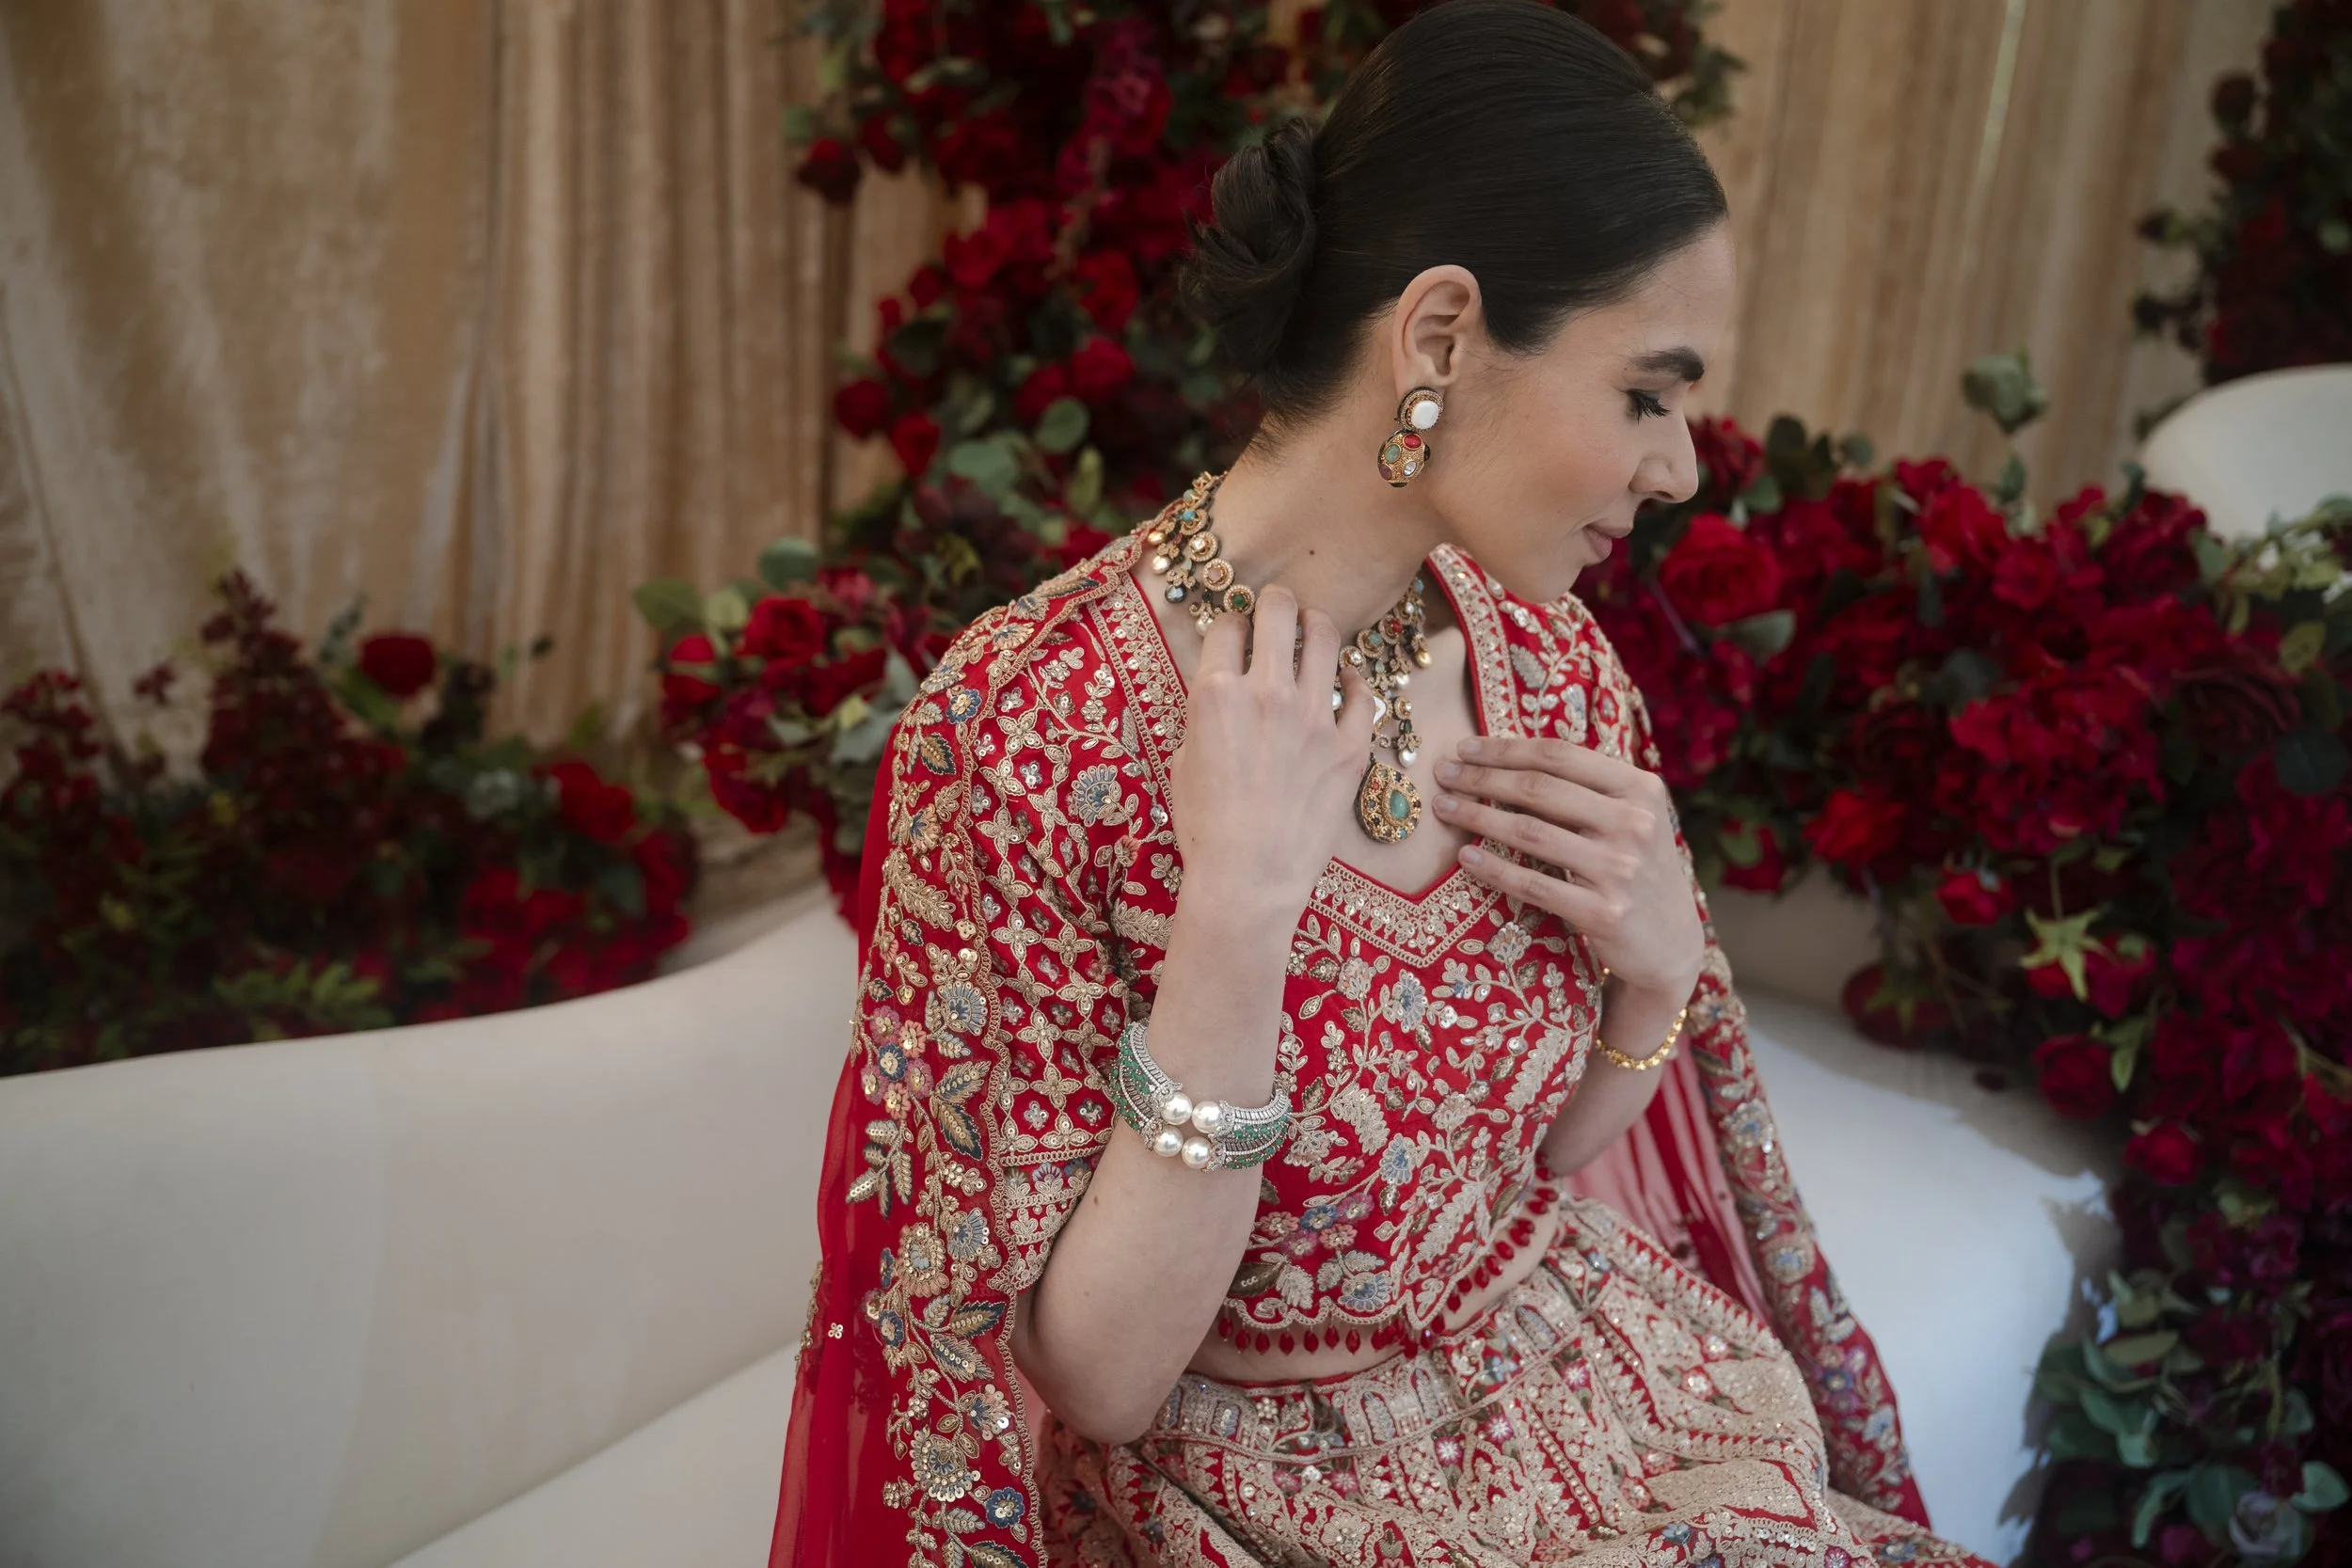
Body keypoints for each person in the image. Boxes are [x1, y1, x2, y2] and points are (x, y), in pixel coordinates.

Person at [773, 3, 1994, 1562]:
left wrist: (1654, 981)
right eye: (1646, 393)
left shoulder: (1540, 659)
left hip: (1613, 1419)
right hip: (1258, 1505)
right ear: (1436, 338)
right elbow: (1096, 1375)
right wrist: (1238, 917)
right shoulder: (1032, 734)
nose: (1683, 467)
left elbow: (1516, 1167)